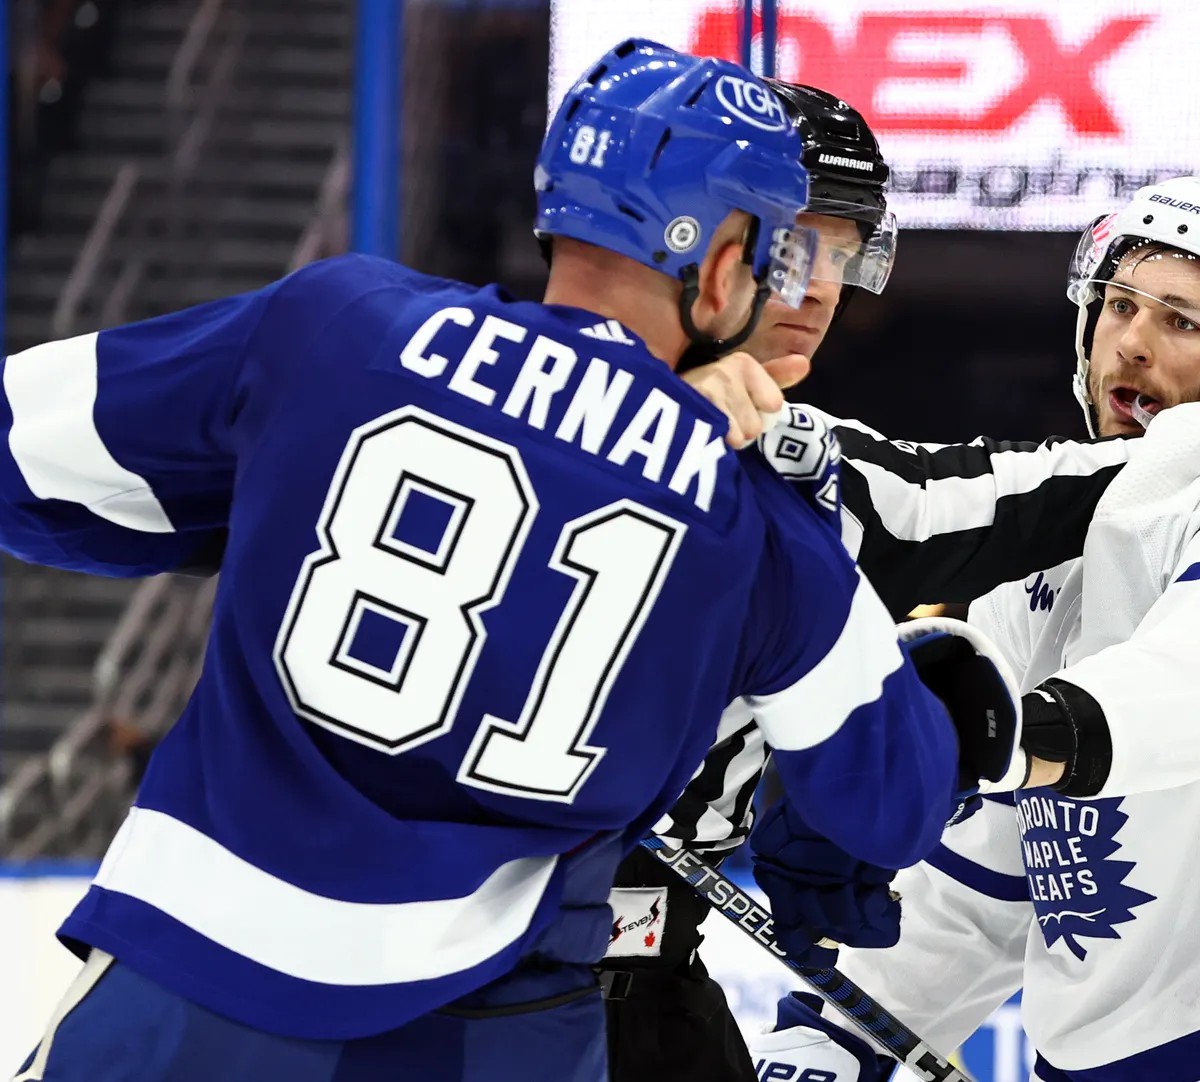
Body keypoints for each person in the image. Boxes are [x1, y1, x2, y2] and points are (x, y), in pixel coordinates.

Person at [7, 40, 1022, 1082]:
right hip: (488, 1038)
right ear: (726, 268)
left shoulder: (334, 326)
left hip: (176, 994)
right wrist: (949, 699)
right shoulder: (757, 518)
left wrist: (247, 515)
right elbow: (886, 798)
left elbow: (23, 461)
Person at [599, 87, 1200, 1082]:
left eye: (845, 258)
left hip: (627, 965)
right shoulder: (757, 456)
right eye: (796, 250)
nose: (823, 291)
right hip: (512, 967)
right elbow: (954, 506)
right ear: (696, 249)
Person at [741, 178, 1200, 1081]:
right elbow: (981, 888)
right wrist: (835, 1033)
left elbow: (1193, 691)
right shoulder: (1044, 563)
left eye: (1180, 323)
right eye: (1117, 307)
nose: (1131, 344)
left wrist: (973, 737)